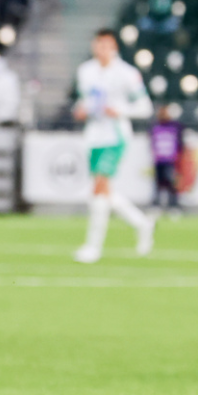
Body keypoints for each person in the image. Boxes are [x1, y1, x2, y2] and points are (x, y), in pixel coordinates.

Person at [72, 28, 155, 264]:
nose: (102, 50)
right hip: (94, 136)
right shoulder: (85, 71)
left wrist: (119, 111)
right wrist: (80, 110)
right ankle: (143, 224)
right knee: (103, 192)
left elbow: (145, 107)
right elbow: (84, 101)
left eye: (107, 45)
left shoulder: (127, 73)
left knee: (99, 188)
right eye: (99, 45)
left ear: (114, 47)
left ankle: (93, 247)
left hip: (115, 136)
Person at [150, 105, 184, 218]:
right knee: (159, 184)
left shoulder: (175, 127)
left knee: (172, 184)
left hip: (171, 161)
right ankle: (157, 206)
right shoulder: (155, 127)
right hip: (159, 160)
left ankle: (174, 206)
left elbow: (180, 144)